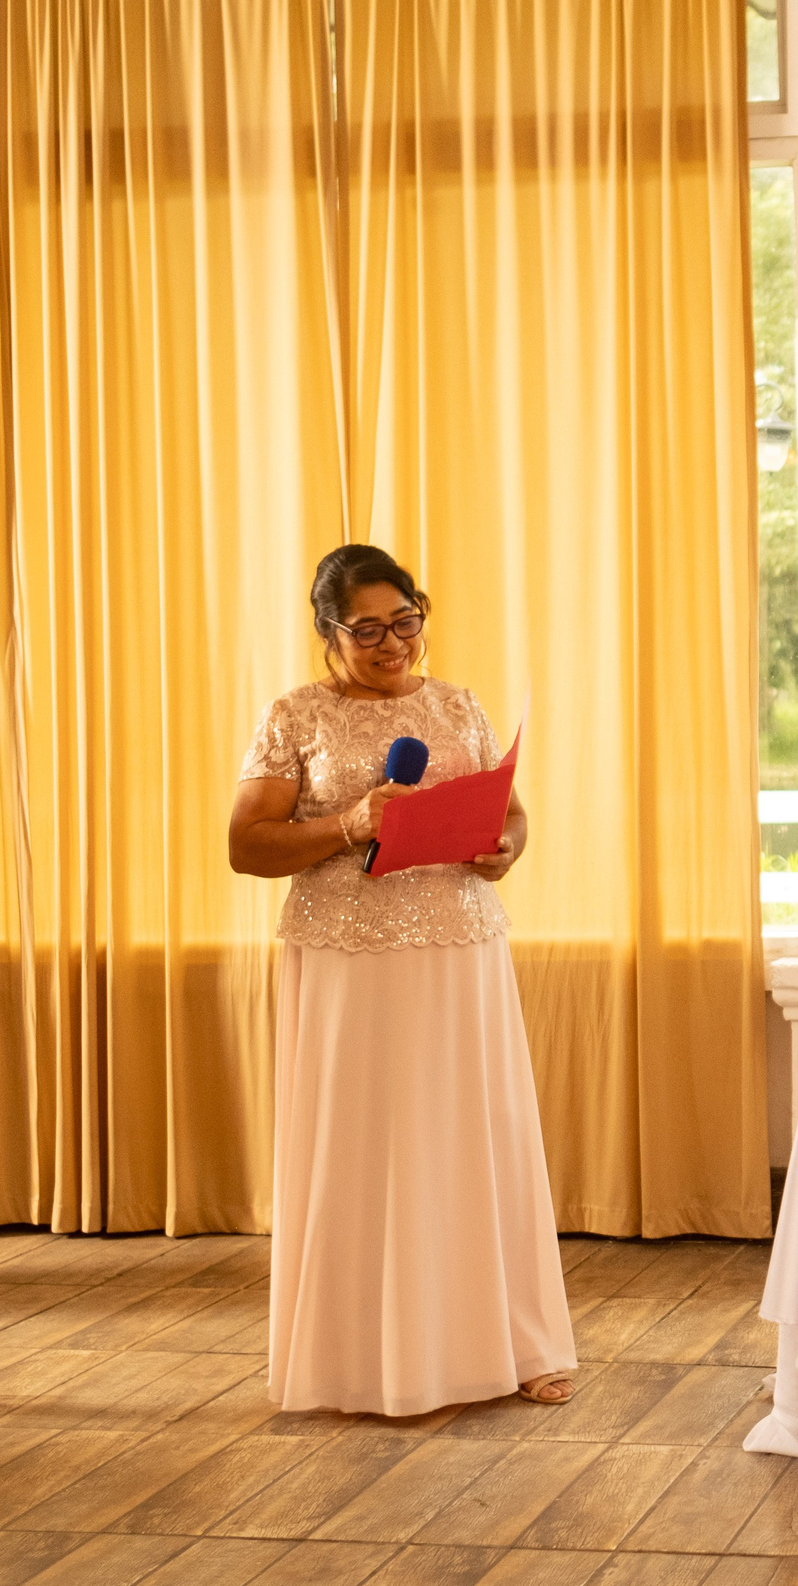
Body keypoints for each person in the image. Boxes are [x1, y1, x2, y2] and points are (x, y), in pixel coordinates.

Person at [227, 544, 576, 1414]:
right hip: (350, 960)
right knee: (368, 1145)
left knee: (474, 1138)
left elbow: (512, 809)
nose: (394, 644)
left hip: (462, 949)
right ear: (328, 632)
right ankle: (361, 1358)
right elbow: (246, 844)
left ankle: (513, 1343)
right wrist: (349, 821)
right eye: (369, 629)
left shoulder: (459, 704)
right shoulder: (294, 716)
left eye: (407, 619)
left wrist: (507, 846)